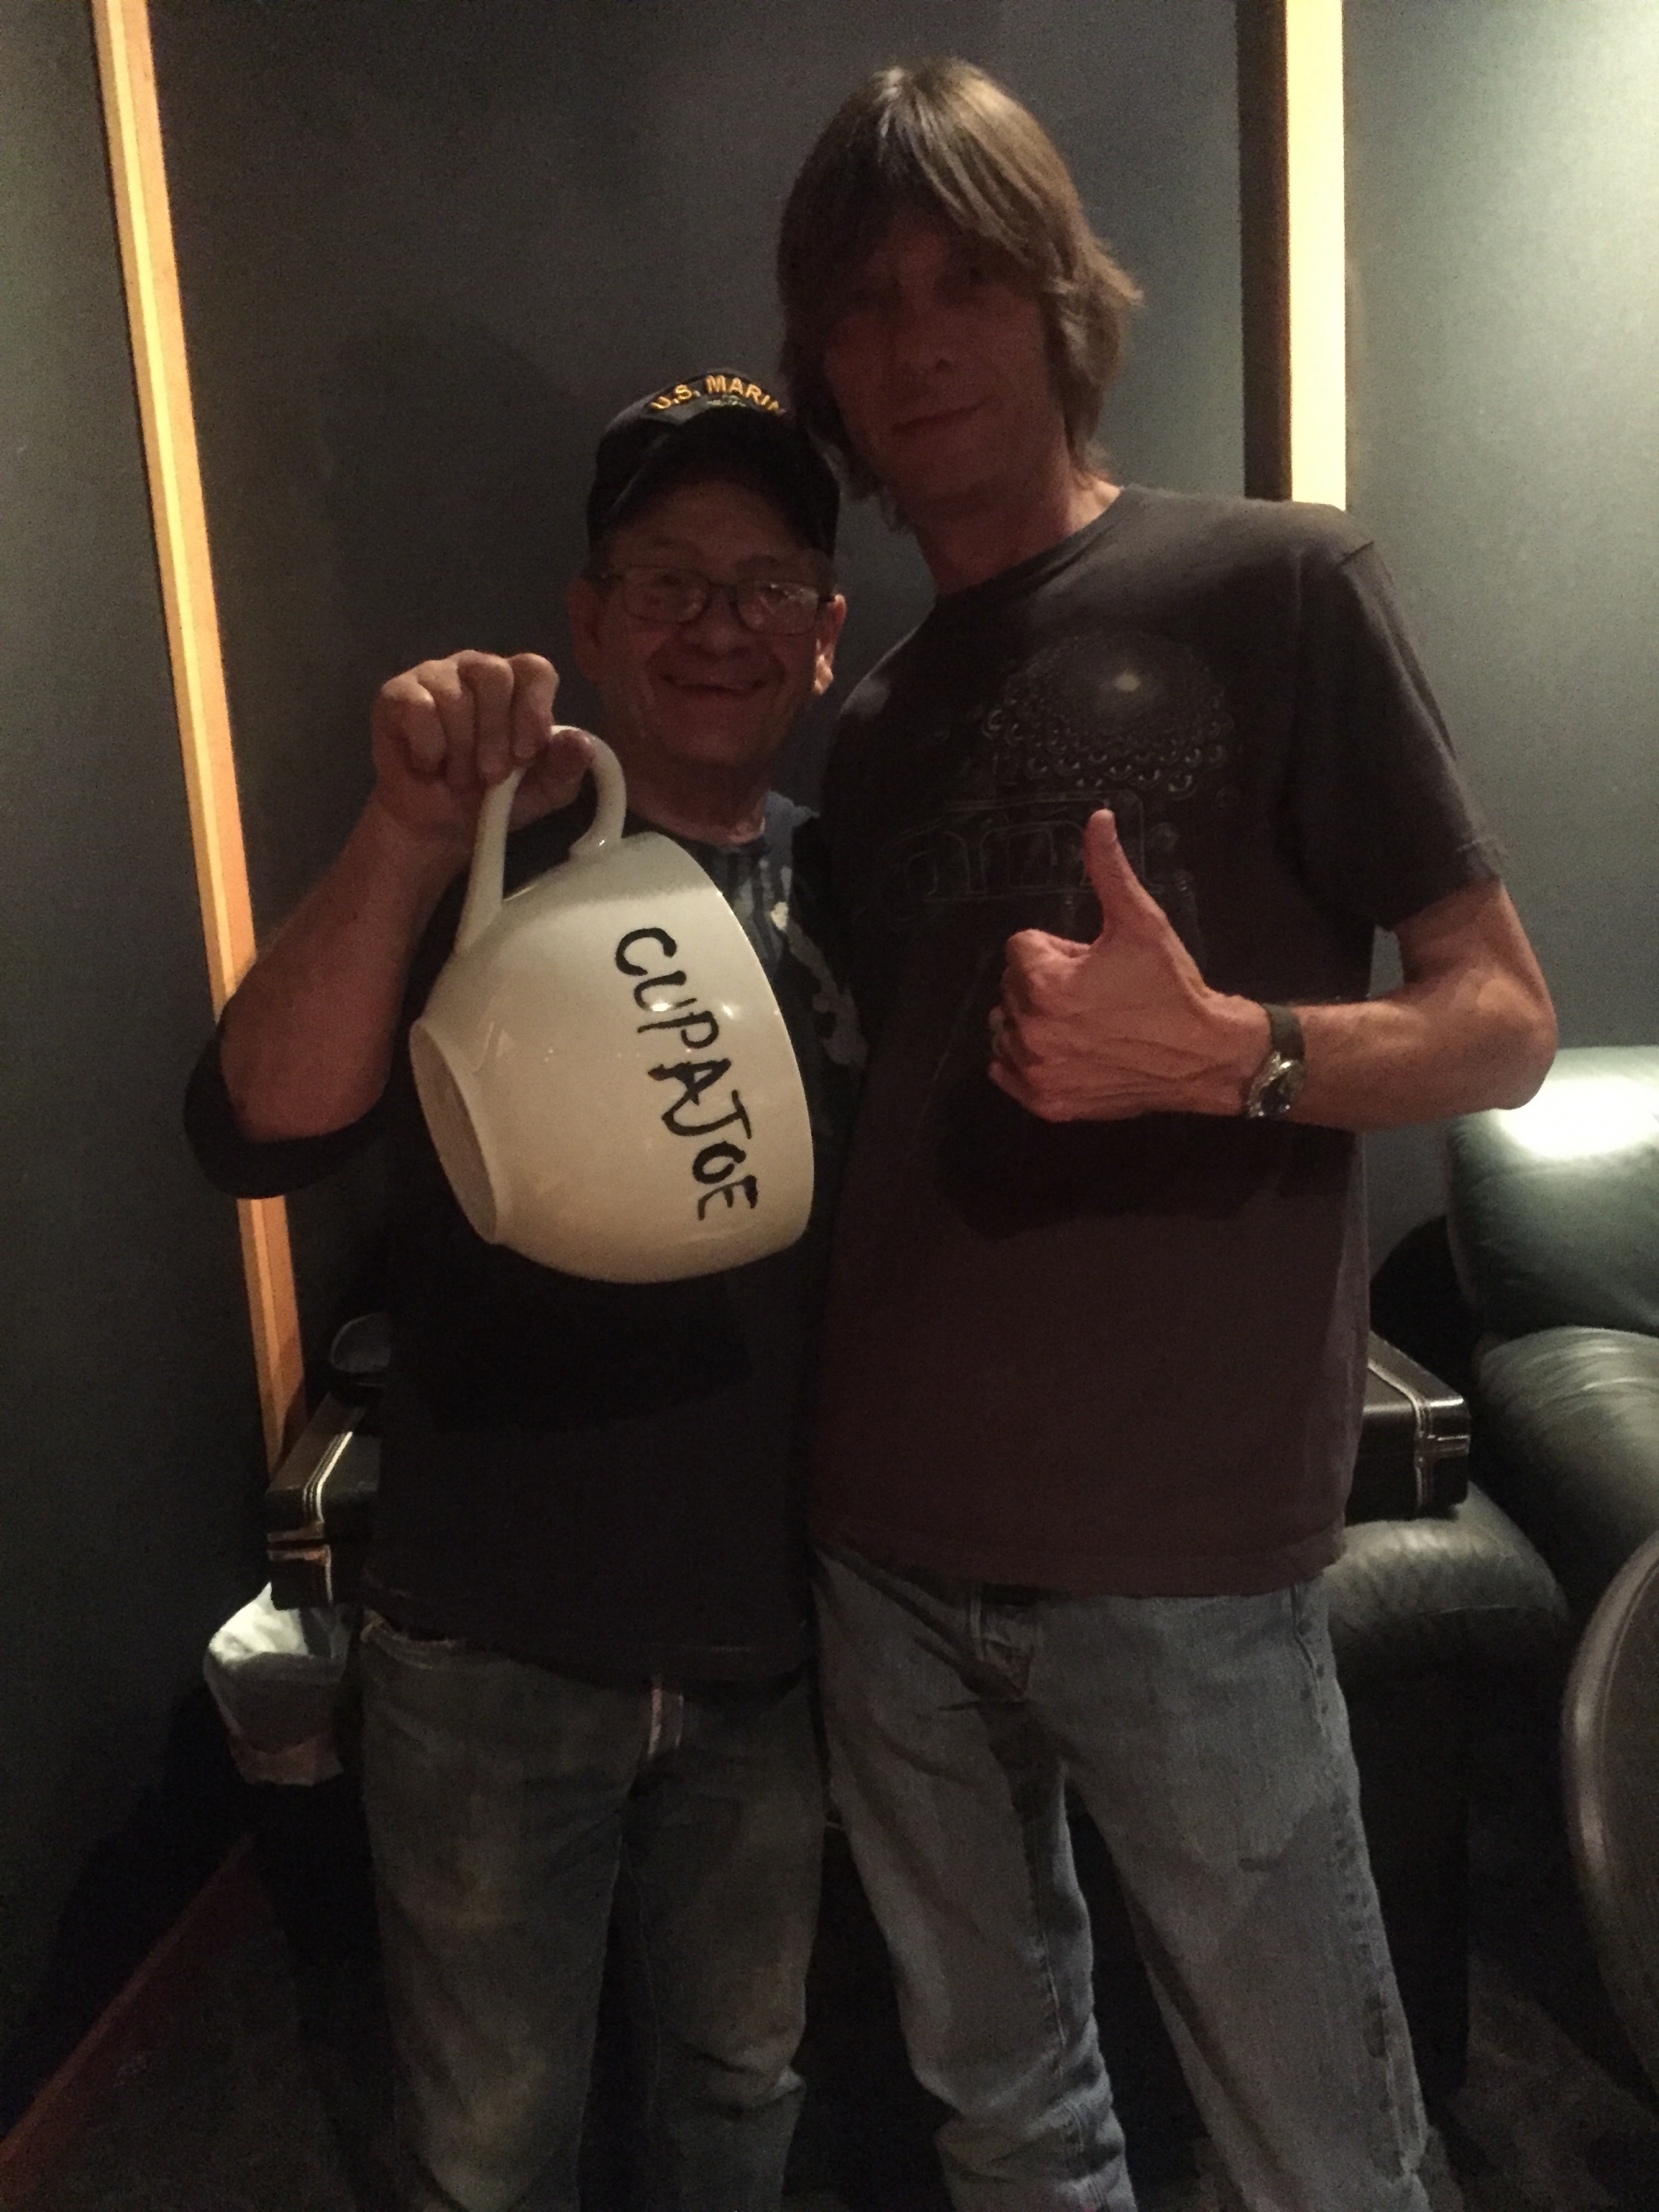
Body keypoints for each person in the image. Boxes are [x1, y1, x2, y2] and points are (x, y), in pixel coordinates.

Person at [774, 60, 1557, 2212]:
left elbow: (1502, 1022)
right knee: (1011, 2125)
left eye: (962, 281)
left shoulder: (1280, 585)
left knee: (1324, 2153)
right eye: (864, 305)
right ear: (824, 366)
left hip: (1183, 1566)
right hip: (879, 1545)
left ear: (1057, 303)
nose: (917, 341)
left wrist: (1233, 1054)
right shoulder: (873, 725)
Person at [185, 372, 856, 2212]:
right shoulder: (487, 859)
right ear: (590, 616)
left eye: (765, 586)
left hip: (776, 1641)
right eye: (667, 581)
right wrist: (408, 833)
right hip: (492, 1635)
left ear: (824, 633)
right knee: (488, 2151)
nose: (717, 625)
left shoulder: (868, 881)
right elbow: (253, 1132)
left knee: (742, 2097)